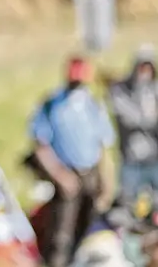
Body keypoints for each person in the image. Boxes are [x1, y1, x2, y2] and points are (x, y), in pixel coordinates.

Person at [29, 57, 116, 266]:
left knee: (87, 230)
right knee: (60, 236)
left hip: (90, 174)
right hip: (66, 175)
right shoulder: (52, 104)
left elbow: (103, 144)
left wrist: (106, 180)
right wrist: (59, 175)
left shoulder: (92, 104)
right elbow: (40, 143)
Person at [110, 45, 158, 204]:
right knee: (128, 205)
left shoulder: (154, 90)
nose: (145, 72)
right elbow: (129, 118)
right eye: (142, 67)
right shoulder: (121, 91)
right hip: (131, 161)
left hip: (154, 160)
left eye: (148, 67)